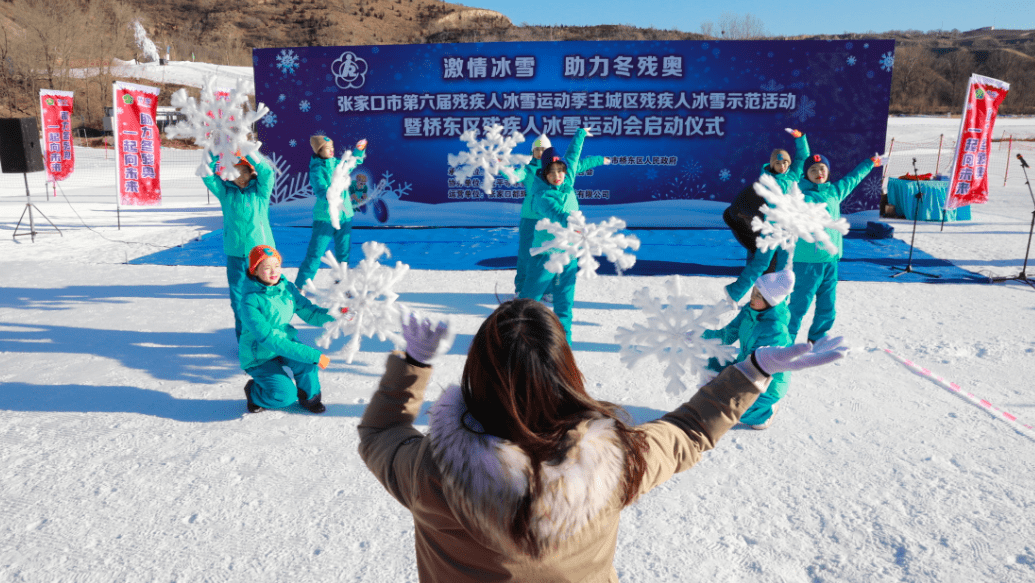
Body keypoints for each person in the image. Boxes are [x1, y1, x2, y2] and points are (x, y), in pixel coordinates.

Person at [358, 299, 847, 582]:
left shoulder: (432, 471)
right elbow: (690, 430)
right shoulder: (616, 463)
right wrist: (753, 370)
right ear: (566, 373)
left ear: (477, 376)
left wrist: (414, 364)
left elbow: (380, 432)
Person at [519, 128, 609, 342]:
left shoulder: (567, 180)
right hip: (546, 257)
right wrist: (577, 226)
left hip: (568, 254)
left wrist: (581, 133)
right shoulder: (541, 196)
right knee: (528, 301)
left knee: (564, 304)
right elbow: (558, 214)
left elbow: (574, 155)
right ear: (544, 174)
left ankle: (563, 344)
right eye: (552, 172)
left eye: (560, 170)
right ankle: (516, 338)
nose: (557, 176)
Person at [787, 152, 881, 343]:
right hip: (807, 262)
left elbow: (853, 178)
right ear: (806, 175)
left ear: (828, 171)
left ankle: (818, 339)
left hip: (830, 261)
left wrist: (869, 162)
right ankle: (785, 341)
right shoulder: (801, 196)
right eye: (813, 169)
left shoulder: (834, 192)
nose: (818, 172)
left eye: (822, 168)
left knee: (827, 306)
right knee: (799, 305)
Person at [240, 245, 336, 414]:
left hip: (285, 342)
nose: (273, 272)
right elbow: (268, 339)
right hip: (260, 354)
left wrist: (337, 315)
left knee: (307, 365)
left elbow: (311, 313)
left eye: (276, 266)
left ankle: (309, 399)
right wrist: (314, 355)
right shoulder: (250, 301)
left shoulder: (287, 288)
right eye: (266, 268)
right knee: (284, 396)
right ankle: (254, 393)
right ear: (255, 271)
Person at [722, 128, 809, 304]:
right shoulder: (768, 179)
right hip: (771, 229)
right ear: (772, 165)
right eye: (778, 163)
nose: (782, 166)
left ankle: (777, 298)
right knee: (760, 263)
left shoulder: (793, 175)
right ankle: (734, 293)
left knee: (783, 267)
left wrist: (800, 138)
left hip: (788, 230)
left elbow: (803, 156)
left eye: (785, 162)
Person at [705, 269, 797, 430]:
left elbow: (757, 367)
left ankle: (763, 414)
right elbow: (728, 334)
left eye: (759, 296)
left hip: (768, 383)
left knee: (731, 407)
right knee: (712, 364)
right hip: (746, 367)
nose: (753, 297)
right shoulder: (750, 310)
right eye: (754, 291)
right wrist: (700, 335)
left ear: (771, 301)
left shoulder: (775, 330)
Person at [201, 151, 276, 341]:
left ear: (251, 172)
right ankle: (245, 341)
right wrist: (214, 154)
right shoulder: (226, 193)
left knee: (264, 297)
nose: (239, 177)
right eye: (234, 172)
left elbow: (267, 173)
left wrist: (249, 152)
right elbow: (207, 176)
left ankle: (269, 338)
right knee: (238, 300)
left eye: (243, 172)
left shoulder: (260, 193)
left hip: (261, 255)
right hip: (235, 254)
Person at [294, 135, 368, 289]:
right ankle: (300, 287)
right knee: (315, 253)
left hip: (345, 216)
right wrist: (330, 194)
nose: (331, 150)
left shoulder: (338, 163)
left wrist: (359, 151)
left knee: (343, 255)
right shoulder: (317, 169)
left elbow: (353, 162)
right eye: (328, 148)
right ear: (319, 150)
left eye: (332, 148)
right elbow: (321, 190)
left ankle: (343, 286)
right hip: (325, 218)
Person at [512, 134, 551, 298]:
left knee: (548, 253)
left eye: (544, 150)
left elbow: (576, 166)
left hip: (549, 217)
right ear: (532, 152)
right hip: (529, 218)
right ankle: (521, 288)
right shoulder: (527, 170)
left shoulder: (555, 169)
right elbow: (513, 176)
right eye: (537, 150)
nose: (540, 153)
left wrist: (599, 160)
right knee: (525, 254)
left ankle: (546, 290)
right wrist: (499, 166)